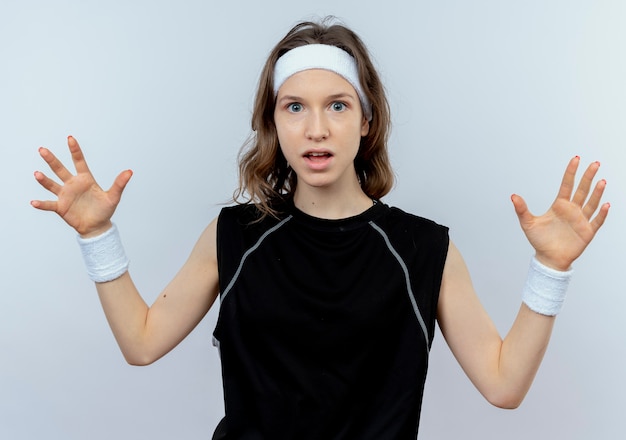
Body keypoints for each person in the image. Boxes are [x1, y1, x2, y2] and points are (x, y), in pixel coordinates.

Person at [32, 19, 609, 440]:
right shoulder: (236, 234)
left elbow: (504, 385)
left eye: (336, 106)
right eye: (293, 107)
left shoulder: (423, 247)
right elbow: (141, 341)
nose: (315, 129)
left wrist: (551, 268)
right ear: (272, 122)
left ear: (366, 120)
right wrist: (96, 235)